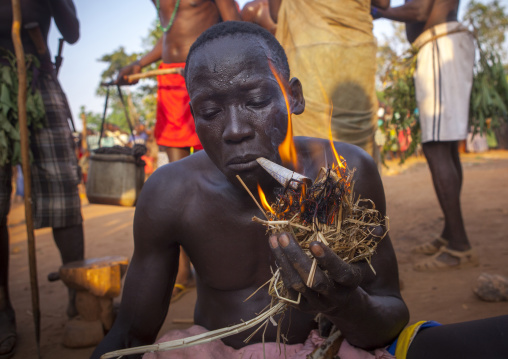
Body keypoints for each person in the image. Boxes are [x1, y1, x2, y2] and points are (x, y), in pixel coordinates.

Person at [93, 21, 410, 359]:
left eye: (256, 101)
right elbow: (129, 335)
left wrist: (345, 304)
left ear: (294, 97)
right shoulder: (172, 194)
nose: (234, 130)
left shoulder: (344, 175)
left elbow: (389, 318)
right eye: (211, 112)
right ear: (194, 118)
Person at [116, 0, 241, 302]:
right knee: (176, 179)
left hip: (204, 76)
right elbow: (171, 32)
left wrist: (222, 70)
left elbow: (234, 26)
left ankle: (230, 263)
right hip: (168, 80)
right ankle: (182, 271)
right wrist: (142, 63)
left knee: (220, 173)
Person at [0, 0, 84, 358]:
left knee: (63, 192)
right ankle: (2, 310)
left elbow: (72, 32)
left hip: (38, 77)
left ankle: (78, 292)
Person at [372, 0, 478, 271]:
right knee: (446, 146)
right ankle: (450, 233)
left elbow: (419, 11)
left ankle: (459, 245)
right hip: (442, 44)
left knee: (437, 147)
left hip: (440, 46)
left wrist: (380, 13)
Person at [267, 0, 390, 165]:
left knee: (311, 145)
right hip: (355, 50)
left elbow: (275, 13)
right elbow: (383, 3)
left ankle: (315, 188)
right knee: (359, 142)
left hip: (308, 45)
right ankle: (362, 185)